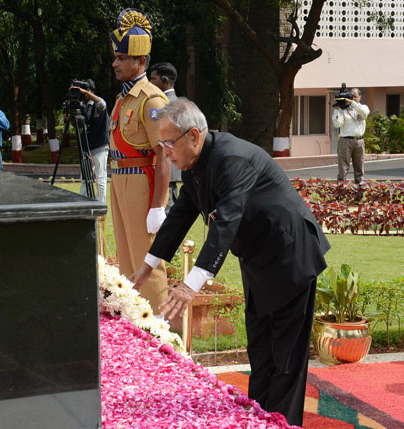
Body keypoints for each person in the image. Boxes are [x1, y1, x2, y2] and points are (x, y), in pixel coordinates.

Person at [130, 98, 330, 426]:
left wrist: (189, 286)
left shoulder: (230, 159)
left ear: (193, 135)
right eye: (161, 143)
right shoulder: (197, 163)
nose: (165, 151)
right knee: (261, 352)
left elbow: (225, 223)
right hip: (257, 260)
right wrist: (147, 266)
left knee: (286, 359)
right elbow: (180, 214)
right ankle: (256, 418)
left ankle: (282, 423)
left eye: (168, 142)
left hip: (290, 255)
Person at [109, 8, 171, 314]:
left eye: (122, 58)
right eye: (116, 57)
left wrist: (158, 205)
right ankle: (136, 324)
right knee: (126, 260)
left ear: (140, 61)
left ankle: (162, 332)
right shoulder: (124, 99)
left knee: (147, 260)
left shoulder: (152, 99)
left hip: (140, 183)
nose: (115, 63)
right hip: (120, 179)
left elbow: (163, 154)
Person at [71, 79, 110, 203]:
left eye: (87, 91)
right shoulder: (82, 106)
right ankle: (83, 203)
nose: (83, 94)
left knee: (100, 179)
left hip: (99, 146)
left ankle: (100, 204)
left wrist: (85, 92)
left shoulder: (98, 105)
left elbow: (102, 103)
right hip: (86, 147)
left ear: (91, 91)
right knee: (85, 178)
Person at [150, 62, 181, 213]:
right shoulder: (179, 103)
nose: (150, 83)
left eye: (153, 79)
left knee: (166, 211)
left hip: (165, 166)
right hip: (169, 168)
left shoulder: (163, 104)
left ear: (165, 80)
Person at [332, 87, 369, 183]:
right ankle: (341, 194)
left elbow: (364, 114)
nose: (352, 98)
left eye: (355, 96)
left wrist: (352, 103)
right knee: (343, 170)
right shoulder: (343, 109)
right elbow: (337, 124)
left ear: (360, 97)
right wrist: (336, 109)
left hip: (359, 141)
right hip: (345, 141)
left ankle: (359, 195)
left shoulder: (363, 107)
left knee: (359, 171)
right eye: (351, 96)